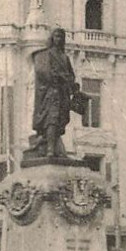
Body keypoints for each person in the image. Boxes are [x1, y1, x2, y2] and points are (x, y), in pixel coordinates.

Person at [30, 28, 87, 158]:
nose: (58, 39)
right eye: (56, 36)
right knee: (52, 120)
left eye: (61, 37)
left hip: (63, 93)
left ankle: (55, 147)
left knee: (60, 121)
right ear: (52, 38)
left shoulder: (64, 57)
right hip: (51, 93)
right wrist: (58, 77)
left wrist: (73, 86)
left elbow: (71, 75)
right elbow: (43, 72)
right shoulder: (46, 54)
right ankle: (50, 149)